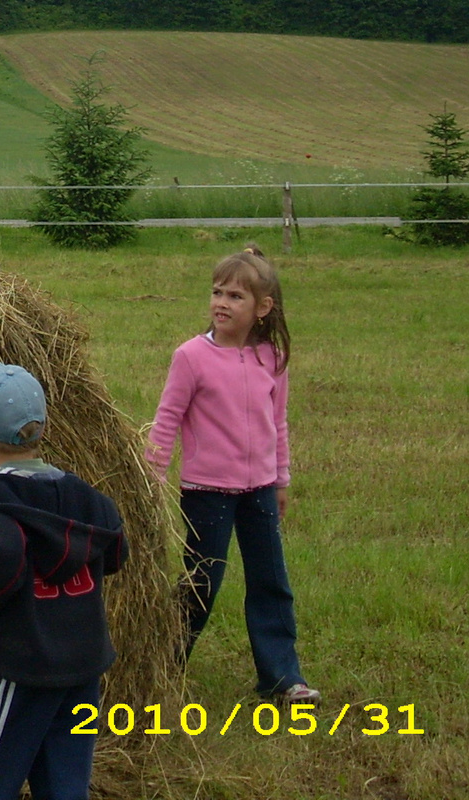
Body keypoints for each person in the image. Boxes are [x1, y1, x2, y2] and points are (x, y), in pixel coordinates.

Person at [0, 363, 128, 800]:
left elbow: (3, 558)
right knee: (65, 782)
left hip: (23, 664)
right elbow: (116, 545)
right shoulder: (84, 496)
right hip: (83, 662)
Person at [146, 244, 321, 704]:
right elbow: (167, 419)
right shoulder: (190, 357)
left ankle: (283, 678)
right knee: (201, 583)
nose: (222, 302)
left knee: (271, 581)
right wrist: (152, 476)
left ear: (263, 308)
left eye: (236, 296)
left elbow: (277, 422)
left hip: (260, 490)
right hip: (206, 493)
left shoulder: (272, 359)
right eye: (217, 292)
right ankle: (163, 667)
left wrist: (281, 479)